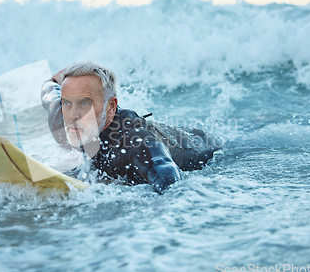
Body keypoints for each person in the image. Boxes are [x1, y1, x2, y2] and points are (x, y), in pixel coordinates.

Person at [41, 62, 220, 194]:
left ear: (111, 107)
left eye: (85, 103)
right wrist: (54, 79)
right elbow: (48, 91)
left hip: (200, 146)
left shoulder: (134, 142)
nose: (73, 114)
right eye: (67, 103)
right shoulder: (62, 118)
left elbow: (169, 178)